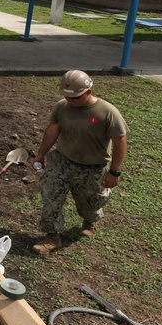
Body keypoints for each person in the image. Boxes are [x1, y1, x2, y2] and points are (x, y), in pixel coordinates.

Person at [30, 70, 128, 255]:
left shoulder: (107, 112)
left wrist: (115, 172)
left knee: (91, 204)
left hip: (92, 167)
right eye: (66, 96)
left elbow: (120, 141)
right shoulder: (62, 107)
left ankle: (90, 220)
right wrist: (41, 154)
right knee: (51, 197)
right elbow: (52, 131)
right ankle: (52, 237)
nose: (70, 100)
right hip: (62, 160)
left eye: (75, 97)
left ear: (89, 91)